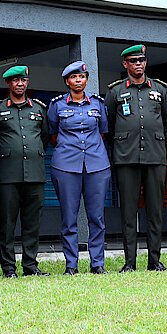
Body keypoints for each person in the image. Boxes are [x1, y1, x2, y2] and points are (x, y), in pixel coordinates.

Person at [103, 44, 167, 273]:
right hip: (126, 157)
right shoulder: (115, 91)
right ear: (125, 64)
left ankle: (154, 260)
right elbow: (109, 125)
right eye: (133, 61)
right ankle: (130, 262)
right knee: (128, 212)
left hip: (155, 155)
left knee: (155, 212)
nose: (138, 64)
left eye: (141, 60)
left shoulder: (160, 89)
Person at [47, 61, 110, 275]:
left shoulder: (98, 103)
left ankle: (97, 263)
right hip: (66, 165)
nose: (78, 81)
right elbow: (52, 134)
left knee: (96, 217)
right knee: (69, 218)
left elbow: (102, 131)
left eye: (81, 77)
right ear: (67, 81)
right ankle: (71, 265)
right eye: (74, 77)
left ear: (86, 80)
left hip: (96, 164)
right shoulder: (57, 105)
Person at [0, 65, 50, 278]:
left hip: (34, 173)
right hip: (8, 174)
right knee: (7, 224)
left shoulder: (38, 108)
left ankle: (30, 266)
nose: (20, 84)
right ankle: (8, 268)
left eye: (23, 80)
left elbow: (44, 137)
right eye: (16, 80)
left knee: (32, 224)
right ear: (8, 83)